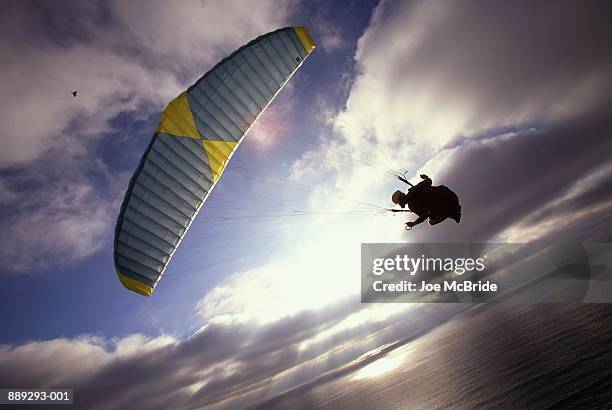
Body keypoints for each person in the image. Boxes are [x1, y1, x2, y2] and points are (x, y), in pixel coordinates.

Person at [391, 174, 461, 229]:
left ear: (400, 201)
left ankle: (453, 213)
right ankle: (454, 213)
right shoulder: (413, 189)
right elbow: (429, 181)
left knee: (430, 221)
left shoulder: (411, 205)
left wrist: (414, 223)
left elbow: (425, 215)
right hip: (451, 196)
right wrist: (425, 177)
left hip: (448, 205)